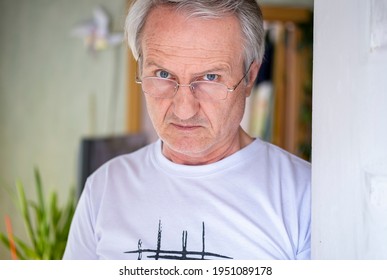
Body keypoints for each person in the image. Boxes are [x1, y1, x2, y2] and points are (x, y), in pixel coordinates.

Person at [63, 0, 311, 260]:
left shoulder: (303, 196)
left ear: (249, 78)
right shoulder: (104, 189)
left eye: (210, 78)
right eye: (162, 74)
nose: (184, 110)